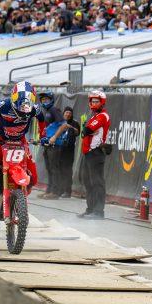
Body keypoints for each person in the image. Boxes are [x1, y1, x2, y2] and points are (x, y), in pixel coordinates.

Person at [0, 81, 45, 216]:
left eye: (29, 101)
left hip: (21, 144)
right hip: (1, 142)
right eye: (22, 102)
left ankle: (18, 200)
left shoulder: (35, 108)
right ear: (14, 98)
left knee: (33, 178)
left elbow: (41, 118)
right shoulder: (4, 105)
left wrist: (43, 136)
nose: (24, 107)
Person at [78, 90, 110, 219]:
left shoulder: (103, 116)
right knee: (88, 181)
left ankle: (98, 211)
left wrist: (86, 130)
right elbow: (83, 132)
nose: (94, 103)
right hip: (88, 153)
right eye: (92, 101)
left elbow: (87, 129)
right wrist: (86, 130)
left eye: (96, 101)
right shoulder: (93, 116)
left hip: (96, 152)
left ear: (102, 102)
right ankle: (90, 209)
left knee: (97, 182)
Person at [45, 106, 80, 198]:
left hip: (68, 151)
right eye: (66, 112)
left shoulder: (74, 123)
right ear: (63, 113)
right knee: (58, 170)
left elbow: (77, 133)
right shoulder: (57, 123)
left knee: (67, 170)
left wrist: (69, 127)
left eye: (69, 113)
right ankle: (58, 190)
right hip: (58, 149)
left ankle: (67, 191)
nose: (68, 114)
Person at [37, 91, 63, 200]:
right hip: (47, 144)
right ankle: (49, 190)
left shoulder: (54, 110)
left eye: (46, 99)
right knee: (49, 168)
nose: (44, 101)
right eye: (42, 100)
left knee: (54, 168)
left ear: (51, 99)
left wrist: (54, 137)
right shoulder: (46, 111)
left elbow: (63, 125)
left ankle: (55, 192)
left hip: (55, 145)